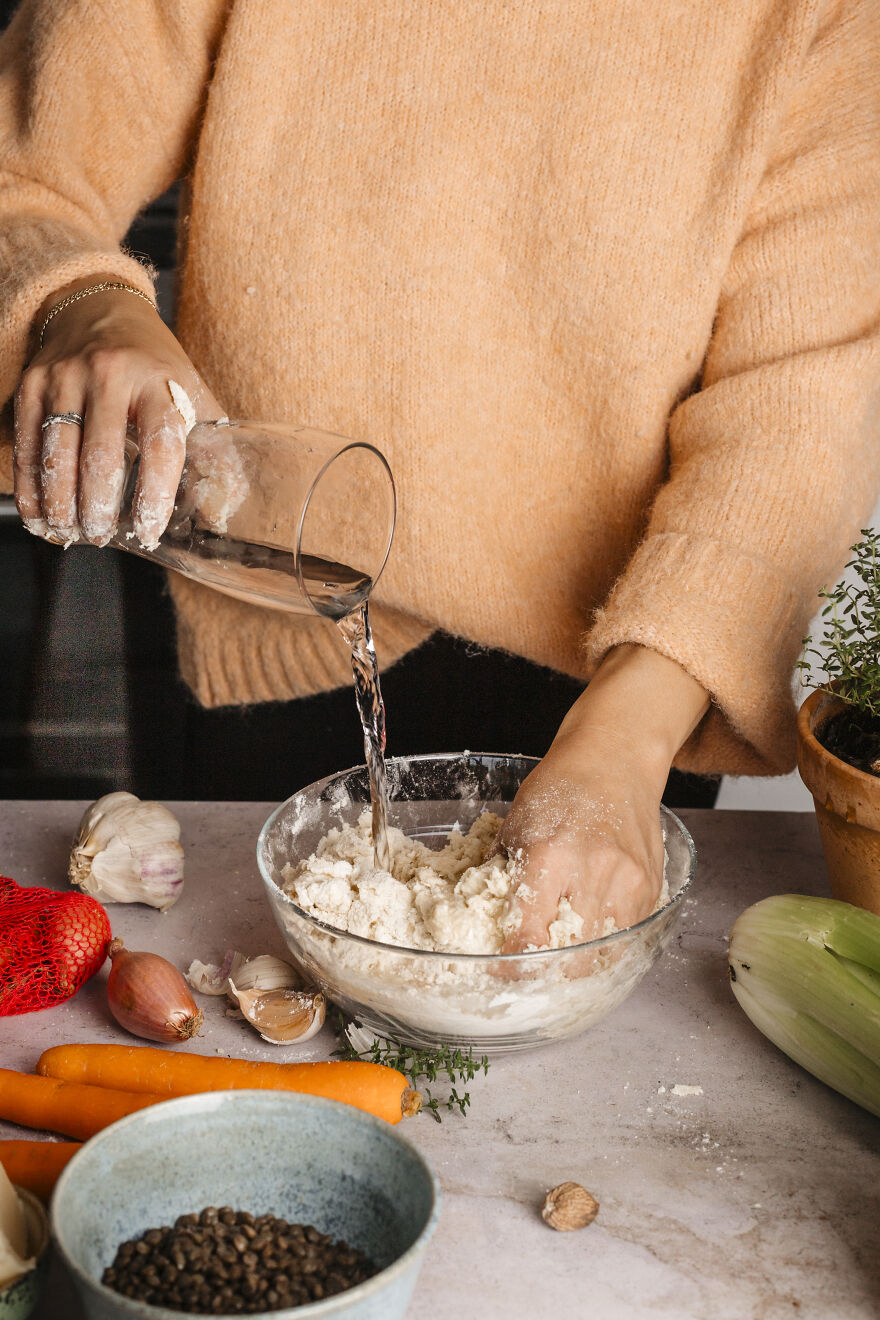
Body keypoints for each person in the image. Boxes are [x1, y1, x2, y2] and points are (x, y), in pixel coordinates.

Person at [1, 0, 878, 952]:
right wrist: (81, 303)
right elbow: (23, 176)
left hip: (631, 679)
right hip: (278, 594)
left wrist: (629, 739)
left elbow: (798, 405)